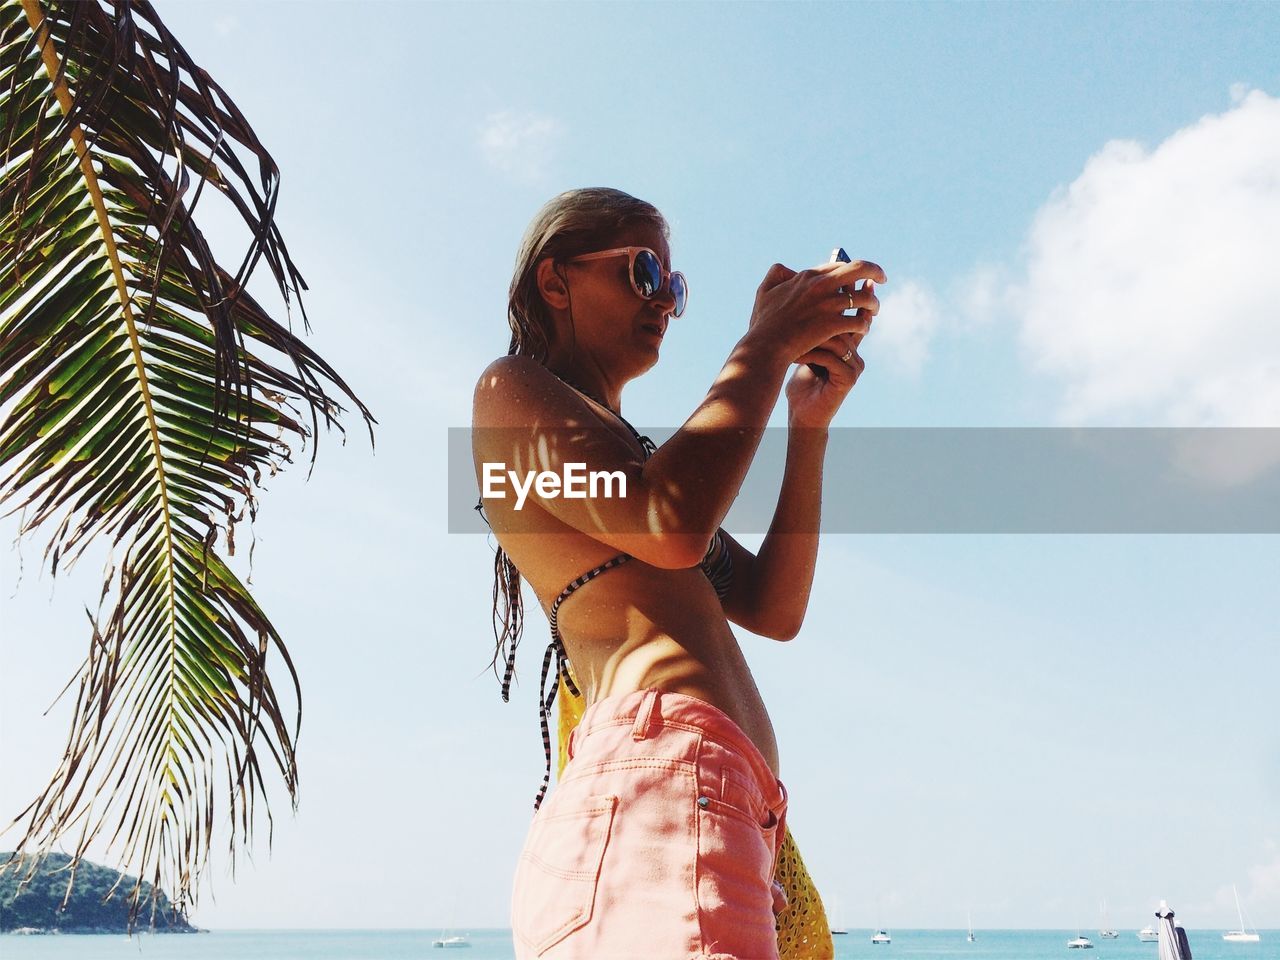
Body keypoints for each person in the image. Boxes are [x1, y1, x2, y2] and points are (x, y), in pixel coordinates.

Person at [472, 187, 883, 960]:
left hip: (698, 799)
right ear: (554, 281)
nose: (664, 299)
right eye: (642, 272)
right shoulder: (507, 394)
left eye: (675, 286)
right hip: (657, 793)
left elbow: (774, 606)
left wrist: (809, 425)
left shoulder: (634, 464)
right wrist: (763, 345)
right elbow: (673, 524)